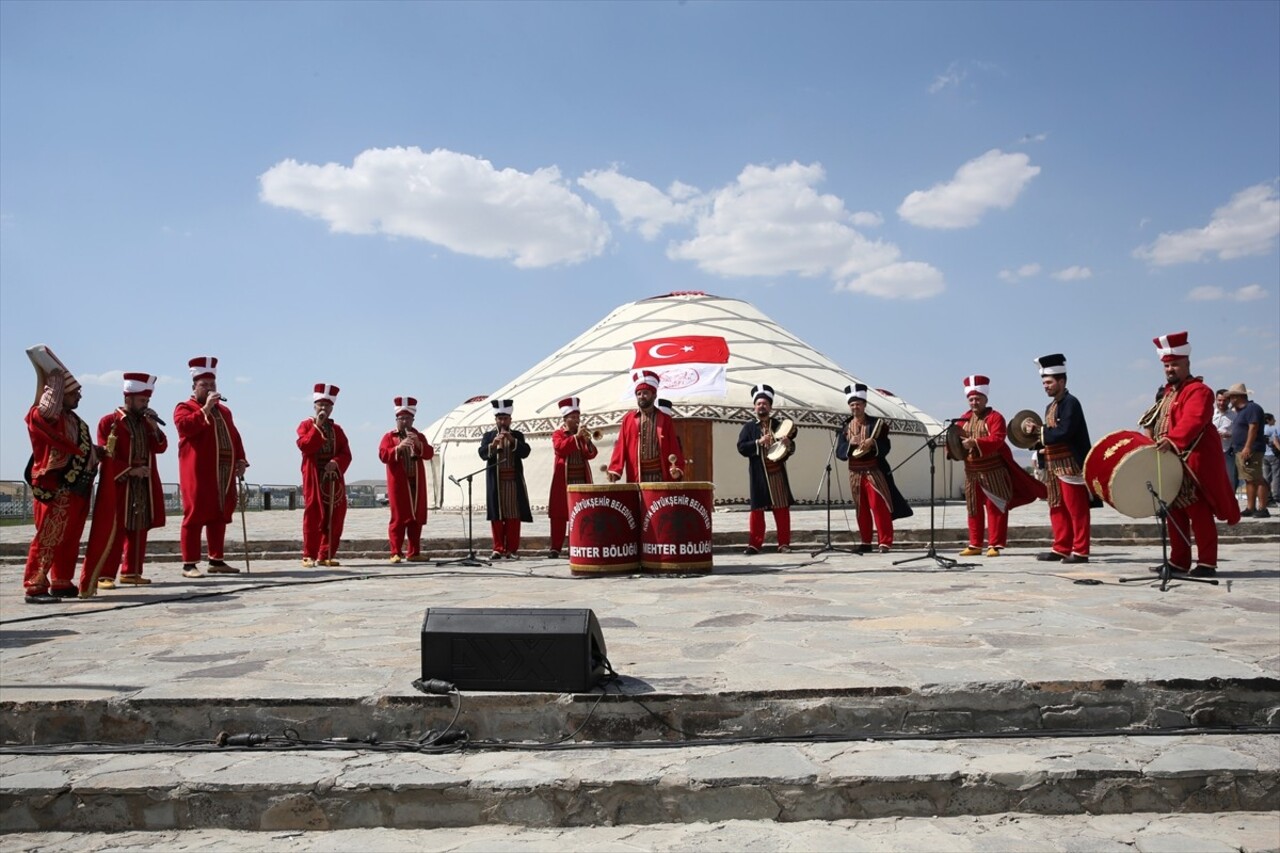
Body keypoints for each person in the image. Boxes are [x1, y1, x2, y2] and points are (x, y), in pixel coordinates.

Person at [1148, 332, 1241, 575]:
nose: (1170, 369)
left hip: (1191, 462)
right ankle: (1179, 560)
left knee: (1198, 513)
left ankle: (1207, 562)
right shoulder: (1169, 393)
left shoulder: (1199, 390)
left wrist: (1172, 439)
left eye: (1175, 364)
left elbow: (1195, 419)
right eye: (1167, 365)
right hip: (1171, 462)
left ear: (1187, 364)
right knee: (1174, 514)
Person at [78, 373, 168, 595]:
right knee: (115, 529)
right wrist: (130, 470)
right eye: (142, 401)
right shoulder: (110, 422)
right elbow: (106, 455)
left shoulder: (145, 423)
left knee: (140, 525)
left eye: (147, 401)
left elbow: (161, 447)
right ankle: (105, 574)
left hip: (143, 483)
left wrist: (154, 427)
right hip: (120, 483)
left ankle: (131, 571)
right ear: (128, 398)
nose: (145, 405)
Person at [22, 351, 97, 603]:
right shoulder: (43, 417)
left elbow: (80, 448)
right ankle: (35, 585)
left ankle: (61, 581)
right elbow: (47, 412)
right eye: (73, 392)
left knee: (70, 538)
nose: (79, 396)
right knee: (48, 537)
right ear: (57, 395)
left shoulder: (76, 420)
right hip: (55, 487)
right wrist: (54, 378)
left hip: (77, 488)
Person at [948, 375, 1045, 558]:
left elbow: (997, 439)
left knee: (996, 506)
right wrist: (952, 448)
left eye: (978, 399)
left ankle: (995, 543)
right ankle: (975, 543)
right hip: (972, 473)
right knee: (973, 507)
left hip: (993, 471)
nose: (974, 402)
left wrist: (975, 442)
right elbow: (954, 440)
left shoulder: (995, 417)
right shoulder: (963, 419)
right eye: (971, 399)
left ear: (986, 399)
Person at [174, 356, 248, 578]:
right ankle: (189, 564)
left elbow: (234, 436)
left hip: (223, 471)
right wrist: (205, 408)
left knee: (219, 513)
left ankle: (216, 559)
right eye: (203, 385)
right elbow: (186, 427)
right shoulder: (184, 407)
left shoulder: (224, 411)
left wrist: (241, 460)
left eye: (212, 385)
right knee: (195, 514)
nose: (208, 389)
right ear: (194, 387)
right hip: (198, 471)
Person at [1022, 354, 1092, 564]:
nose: (1046, 386)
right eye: (1044, 382)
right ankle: (1061, 547)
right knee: (1056, 505)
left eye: (1049, 382)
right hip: (1053, 464)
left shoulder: (1071, 403)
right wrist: (1033, 435)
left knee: (1076, 508)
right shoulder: (1050, 407)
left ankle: (1081, 550)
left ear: (1061, 381)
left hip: (1069, 464)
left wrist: (1039, 430)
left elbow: (1064, 432)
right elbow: (1049, 435)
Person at [834, 382, 911, 553]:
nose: (855, 407)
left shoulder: (877, 424)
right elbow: (839, 452)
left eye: (858, 404)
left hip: (873, 470)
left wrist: (873, 443)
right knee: (861, 508)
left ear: (864, 405)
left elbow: (886, 446)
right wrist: (849, 443)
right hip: (854, 472)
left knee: (878, 505)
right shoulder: (845, 427)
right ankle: (865, 542)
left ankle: (884, 541)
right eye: (852, 405)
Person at [736, 383, 795, 555]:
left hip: (776, 472)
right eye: (759, 403)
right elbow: (741, 447)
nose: (762, 406)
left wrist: (788, 444)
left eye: (765, 403)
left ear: (770, 406)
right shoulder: (749, 427)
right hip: (759, 474)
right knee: (757, 511)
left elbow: (792, 447)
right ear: (754, 406)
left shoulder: (779, 425)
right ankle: (754, 544)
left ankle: (784, 544)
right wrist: (758, 442)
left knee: (782, 509)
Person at [297, 384, 352, 567]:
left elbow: (346, 452)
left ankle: (325, 553)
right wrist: (317, 426)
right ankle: (309, 554)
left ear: (332, 408)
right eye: (320, 405)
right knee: (313, 513)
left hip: (333, 478)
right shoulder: (306, 425)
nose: (323, 408)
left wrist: (336, 462)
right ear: (314, 406)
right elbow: (305, 445)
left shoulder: (337, 430)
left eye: (327, 406)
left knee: (335, 515)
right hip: (314, 477)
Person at [378, 396, 434, 563]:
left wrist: (418, 444)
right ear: (396, 420)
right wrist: (398, 448)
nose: (404, 421)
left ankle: (414, 552)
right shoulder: (389, 437)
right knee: (398, 518)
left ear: (413, 420)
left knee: (416, 519)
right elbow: (382, 455)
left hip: (416, 483)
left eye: (408, 418)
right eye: (401, 418)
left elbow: (429, 454)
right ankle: (395, 552)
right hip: (399, 484)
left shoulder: (419, 436)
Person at [606, 370, 684, 483]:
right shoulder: (629, 419)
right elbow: (620, 446)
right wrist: (615, 469)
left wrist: (676, 468)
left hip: (660, 476)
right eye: (639, 393)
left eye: (646, 393)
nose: (642, 396)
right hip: (637, 475)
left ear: (654, 395)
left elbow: (673, 445)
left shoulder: (664, 419)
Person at [479, 399, 532, 559]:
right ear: (495, 419)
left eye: (505, 419)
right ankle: (498, 548)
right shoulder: (488, 436)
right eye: (500, 419)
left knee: (513, 515)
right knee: (497, 516)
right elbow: (482, 454)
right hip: (496, 482)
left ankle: (512, 549)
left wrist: (512, 440)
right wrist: (493, 446)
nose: (502, 421)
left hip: (513, 482)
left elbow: (525, 452)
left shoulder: (517, 435)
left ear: (510, 420)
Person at [547, 396, 598, 558]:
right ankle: (555, 547)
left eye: (578, 417)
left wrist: (588, 441)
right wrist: (576, 438)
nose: (577, 421)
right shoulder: (558, 434)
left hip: (581, 478)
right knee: (559, 515)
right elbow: (560, 448)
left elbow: (591, 455)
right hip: (564, 480)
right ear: (565, 419)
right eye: (573, 418)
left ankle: (578, 544)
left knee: (581, 513)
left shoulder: (581, 435)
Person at [1227, 382, 1269, 518]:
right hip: (1242, 449)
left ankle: (1263, 508)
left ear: (1236, 397)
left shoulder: (1252, 408)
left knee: (1256, 478)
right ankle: (1250, 507)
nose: (1230, 400)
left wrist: (1248, 446)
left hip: (1251, 450)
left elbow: (1253, 427)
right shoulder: (1243, 411)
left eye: (1231, 397)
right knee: (1249, 478)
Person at [1212, 389, 1238, 496]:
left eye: (1225, 400)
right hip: (1211, 451)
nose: (1222, 403)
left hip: (1227, 451)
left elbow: (1239, 433)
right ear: (1216, 400)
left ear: (1229, 401)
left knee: (1229, 479)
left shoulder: (1234, 416)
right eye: (1219, 400)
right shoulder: (1209, 413)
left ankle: (1229, 504)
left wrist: (1230, 435)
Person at [1264, 413, 1280, 509]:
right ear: (1268, 420)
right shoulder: (1272, 429)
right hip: (1274, 456)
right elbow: (1275, 441)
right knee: (1276, 477)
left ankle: (1267, 497)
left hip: (1263, 456)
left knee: (1266, 478)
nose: (1275, 421)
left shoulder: (1260, 429)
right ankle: (1276, 497)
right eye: (1273, 419)